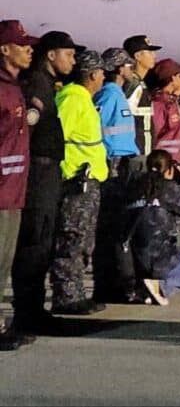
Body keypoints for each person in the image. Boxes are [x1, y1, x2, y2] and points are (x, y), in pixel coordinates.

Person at [11, 30, 79, 336]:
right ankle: (27, 313)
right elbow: (29, 131)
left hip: (49, 172)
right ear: (51, 55)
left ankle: (34, 310)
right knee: (34, 242)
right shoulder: (36, 83)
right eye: (69, 53)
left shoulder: (47, 84)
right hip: (38, 173)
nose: (73, 60)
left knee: (43, 241)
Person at [51, 49, 109, 315]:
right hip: (76, 181)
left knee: (84, 240)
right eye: (101, 73)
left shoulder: (83, 99)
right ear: (93, 74)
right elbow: (56, 136)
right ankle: (67, 296)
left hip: (89, 180)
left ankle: (76, 293)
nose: (103, 79)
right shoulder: (72, 99)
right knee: (72, 239)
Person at [128, 150, 180, 306]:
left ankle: (144, 289)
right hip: (161, 257)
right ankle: (161, 288)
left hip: (134, 258)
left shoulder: (133, 188)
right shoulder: (167, 188)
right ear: (169, 170)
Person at [92, 48, 141, 303]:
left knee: (120, 224)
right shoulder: (109, 95)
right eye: (128, 65)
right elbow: (96, 124)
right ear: (119, 69)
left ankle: (116, 282)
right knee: (111, 226)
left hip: (124, 161)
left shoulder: (118, 95)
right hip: (114, 163)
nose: (131, 69)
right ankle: (108, 284)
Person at [0, 20, 38, 351]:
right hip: (1, 190)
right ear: (4, 49)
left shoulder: (14, 87)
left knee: (3, 261)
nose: (29, 49)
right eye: (22, 44)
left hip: (13, 190)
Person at [122, 35, 161, 170]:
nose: (154, 56)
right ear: (137, 56)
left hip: (144, 154)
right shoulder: (132, 85)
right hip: (136, 156)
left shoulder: (141, 84)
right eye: (150, 52)